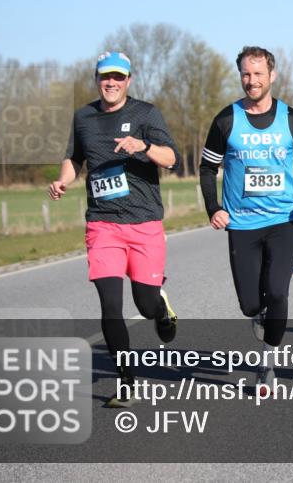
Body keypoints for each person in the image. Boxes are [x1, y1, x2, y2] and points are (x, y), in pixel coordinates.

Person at [48, 51, 181, 407]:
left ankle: (161, 307)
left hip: (144, 222)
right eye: (106, 76)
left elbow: (172, 158)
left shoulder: (145, 114)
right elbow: (74, 158)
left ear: (129, 81)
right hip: (102, 224)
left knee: (146, 302)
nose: (111, 83)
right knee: (110, 305)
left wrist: (144, 146)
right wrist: (63, 180)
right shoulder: (84, 118)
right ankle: (126, 383)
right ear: (96, 78)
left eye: (118, 77)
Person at [199, 46, 293, 390]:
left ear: (271, 76)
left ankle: (268, 361)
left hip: (283, 220)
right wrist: (213, 207)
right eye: (245, 74)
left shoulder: (292, 119)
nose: (251, 81)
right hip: (241, 224)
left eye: (258, 74)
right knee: (250, 303)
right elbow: (208, 167)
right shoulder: (226, 120)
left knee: (278, 291)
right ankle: (258, 313)